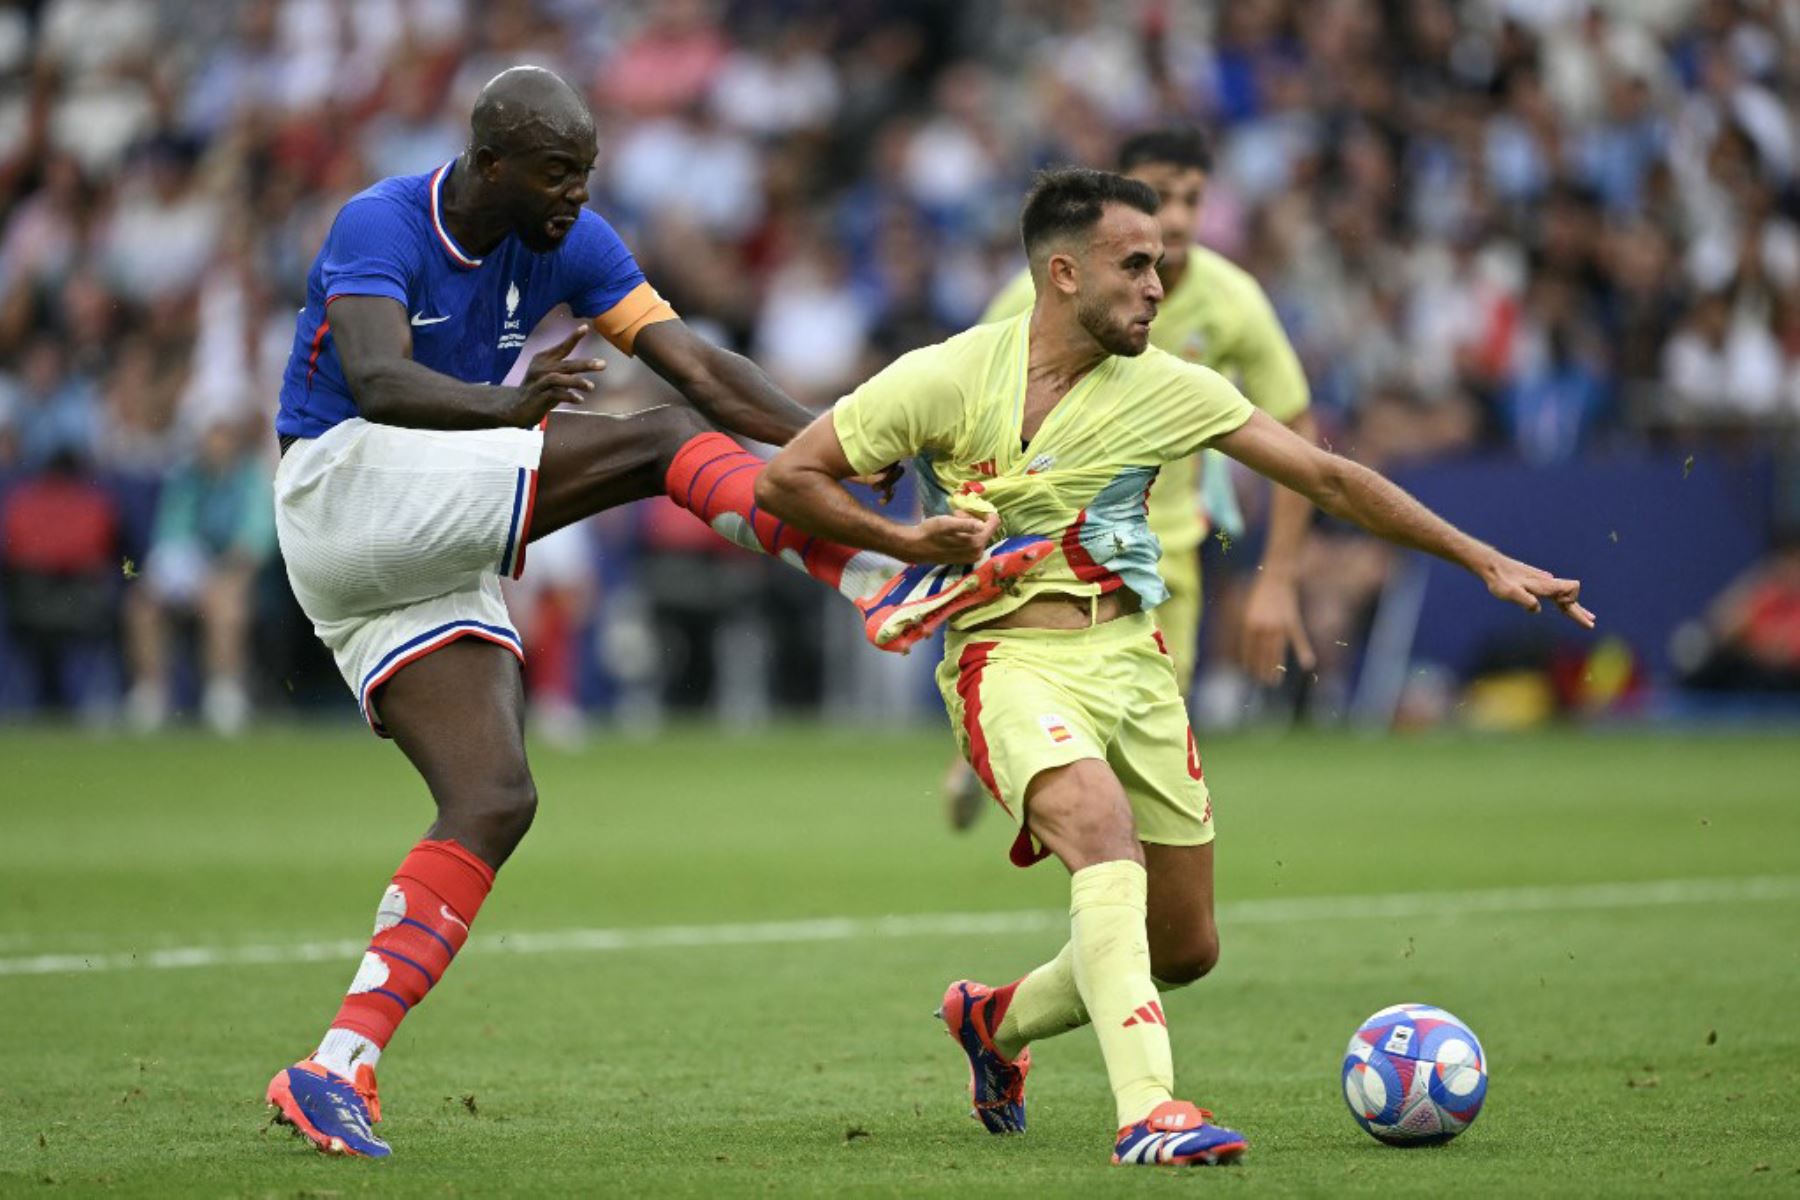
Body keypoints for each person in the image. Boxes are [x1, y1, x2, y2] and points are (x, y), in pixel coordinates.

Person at [262, 67, 1050, 1160]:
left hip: (414, 544)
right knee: (651, 441)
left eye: (585, 171)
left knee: (494, 799)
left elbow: (703, 371)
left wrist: (842, 444)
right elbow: (378, 377)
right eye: (556, 172)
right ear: (491, 162)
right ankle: (879, 581)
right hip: (341, 490)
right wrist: (509, 408)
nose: (576, 194)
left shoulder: (572, 240)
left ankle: (333, 1065)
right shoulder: (382, 220)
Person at [757, 167, 1593, 1167]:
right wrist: (909, 544)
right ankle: (1151, 1111)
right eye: (1138, 264)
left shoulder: (1171, 387)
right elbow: (787, 478)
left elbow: (1327, 475)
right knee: (1103, 836)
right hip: (1008, 659)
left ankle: (993, 1022)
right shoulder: (941, 377)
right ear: (1063, 273)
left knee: (1185, 945)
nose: (1162, 283)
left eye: (1161, 264)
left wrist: (1484, 558)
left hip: (1135, 661)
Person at [945, 125, 1318, 830]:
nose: (1176, 217)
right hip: (1041, 549)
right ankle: (1003, 749)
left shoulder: (1232, 300)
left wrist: (1278, 578)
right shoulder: (1036, 295)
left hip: (1160, 555)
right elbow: (963, 397)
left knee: (1140, 746)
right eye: (1158, 196)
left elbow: (1298, 433)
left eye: (1191, 198)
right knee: (1068, 725)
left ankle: (1107, 877)